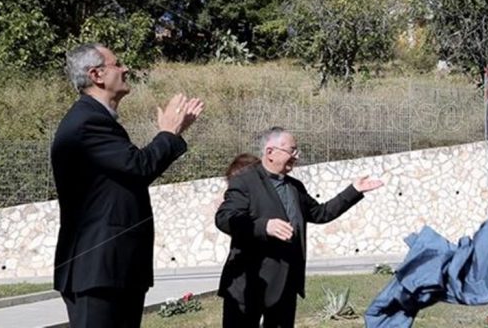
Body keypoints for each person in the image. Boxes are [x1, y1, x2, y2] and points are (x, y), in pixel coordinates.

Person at [51, 43, 204, 328]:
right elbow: (138, 167)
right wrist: (169, 133)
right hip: (97, 270)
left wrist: (173, 133)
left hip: (114, 270)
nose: (125, 69)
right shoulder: (88, 122)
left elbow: (128, 174)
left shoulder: (95, 120)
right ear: (96, 74)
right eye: (117, 64)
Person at [215, 126, 384, 328]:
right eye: (292, 150)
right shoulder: (245, 182)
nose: (297, 156)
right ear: (270, 152)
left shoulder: (295, 187)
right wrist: (264, 226)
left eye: (297, 150)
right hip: (248, 286)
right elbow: (225, 218)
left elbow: (321, 214)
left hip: (286, 285)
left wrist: (354, 190)